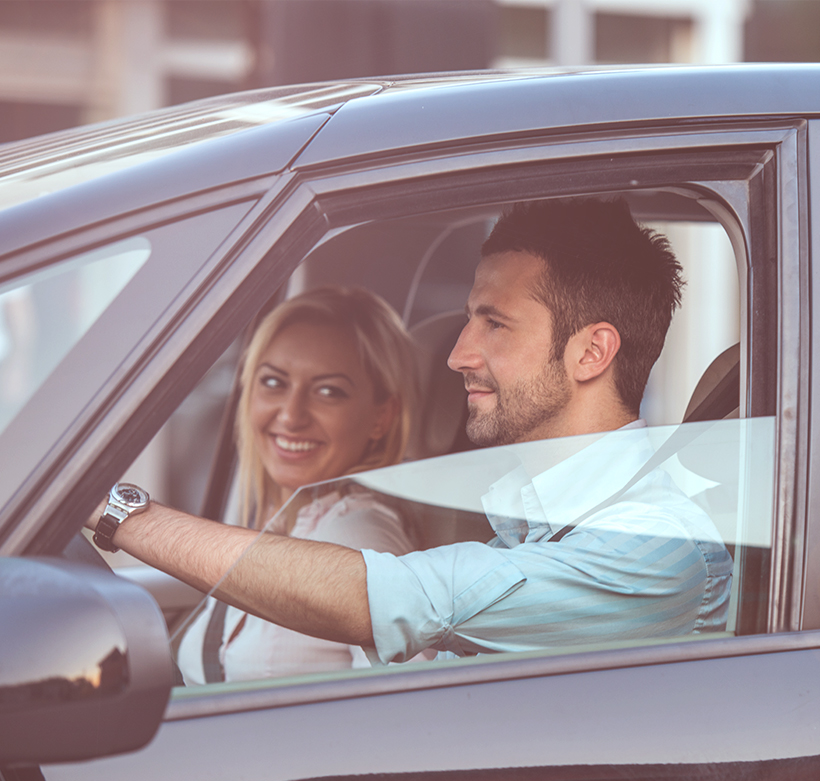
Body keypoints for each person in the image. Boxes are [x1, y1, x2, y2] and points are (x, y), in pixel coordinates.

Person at [88, 198, 732, 668]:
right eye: (467, 320)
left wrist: (111, 507)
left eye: (494, 324)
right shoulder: (532, 522)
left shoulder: (653, 546)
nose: (457, 354)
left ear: (592, 353)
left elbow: (381, 598)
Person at [175, 286, 418, 682]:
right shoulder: (280, 522)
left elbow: (407, 711)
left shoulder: (359, 537)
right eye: (273, 382)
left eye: (328, 391)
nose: (290, 415)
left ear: (381, 417)